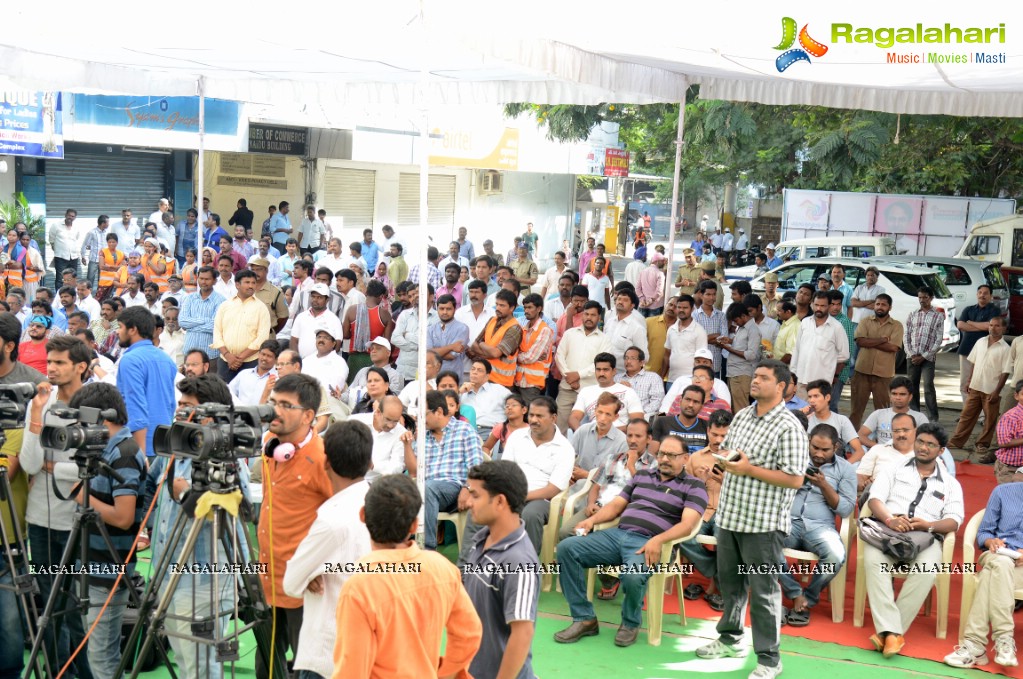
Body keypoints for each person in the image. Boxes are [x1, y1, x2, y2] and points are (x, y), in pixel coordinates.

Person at [695, 361, 808, 679]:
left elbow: (795, 478)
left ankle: (770, 660)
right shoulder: (742, 415)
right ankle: (730, 638)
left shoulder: (789, 426)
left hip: (763, 524)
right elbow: (735, 457)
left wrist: (748, 470)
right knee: (730, 585)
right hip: (729, 516)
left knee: (764, 591)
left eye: (763, 378)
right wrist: (723, 467)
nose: (755, 381)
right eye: (755, 375)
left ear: (782, 386)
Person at [555, 433, 706, 648]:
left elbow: (687, 525)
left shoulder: (694, 486)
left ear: (685, 458)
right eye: (662, 453)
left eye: (672, 455)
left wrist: (658, 540)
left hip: (652, 543)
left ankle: (630, 623)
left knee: (633, 576)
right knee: (567, 548)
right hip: (618, 535)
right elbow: (617, 505)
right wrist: (591, 521)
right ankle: (584, 618)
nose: (664, 459)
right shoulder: (642, 476)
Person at [332, 474, 482, 677]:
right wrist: (443, 672)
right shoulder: (442, 568)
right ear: (414, 525)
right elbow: (469, 633)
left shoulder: (359, 586)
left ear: (362, 516)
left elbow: (352, 669)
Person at [63, 382, 145, 678]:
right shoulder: (103, 448)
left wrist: (81, 495)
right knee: (96, 653)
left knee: (102, 659)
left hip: (109, 571)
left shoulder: (124, 452)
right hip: (91, 565)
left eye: (83, 418)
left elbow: (123, 517)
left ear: (102, 417)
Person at [864, 422, 963, 659]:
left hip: (926, 537)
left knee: (927, 569)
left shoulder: (950, 483)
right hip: (888, 530)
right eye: (920, 441)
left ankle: (888, 633)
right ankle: (893, 634)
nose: (923, 447)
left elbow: (954, 520)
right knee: (873, 563)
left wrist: (928, 525)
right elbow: (875, 499)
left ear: (941, 451)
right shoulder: (894, 468)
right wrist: (889, 520)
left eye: (931, 444)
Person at [282, 420, 372, 679]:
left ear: (326, 463)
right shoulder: (376, 503)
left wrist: (310, 572)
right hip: (365, 648)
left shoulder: (331, 520)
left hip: (326, 653)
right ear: (369, 463)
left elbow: (290, 583)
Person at [257, 373, 333, 679]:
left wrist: (321, 566)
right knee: (266, 668)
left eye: (286, 405)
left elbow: (344, 520)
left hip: (305, 586)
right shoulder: (268, 444)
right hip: (266, 578)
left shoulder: (324, 458)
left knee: (309, 668)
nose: (275, 410)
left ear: (308, 416)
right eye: (274, 402)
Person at [461, 460, 540, 679]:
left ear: (499, 501)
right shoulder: (480, 540)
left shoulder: (519, 562)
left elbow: (522, 633)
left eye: (475, 495)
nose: (468, 502)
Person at [777, 423, 856, 627]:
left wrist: (824, 485)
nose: (819, 454)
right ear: (808, 441)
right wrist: (795, 481)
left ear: (836, 447)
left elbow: (846, 509)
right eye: (815, 447)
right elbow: (773, 488)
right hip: (788, 521)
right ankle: (795, 595)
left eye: (825, 450)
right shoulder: (794, 459)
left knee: (836, 555)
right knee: (763, 541)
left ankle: (808, 598)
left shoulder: (845, 469)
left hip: (820, 527)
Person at [944, 478, 1023, 669]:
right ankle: (1004, 639)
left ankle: (975, 646)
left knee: (990, 576)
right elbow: (984, 532)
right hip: (998, 555)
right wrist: (991, 542)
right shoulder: (1003, 492)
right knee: (1001, 563)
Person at [422, 390, 485, 550]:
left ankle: (427, 550)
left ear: (439, 412)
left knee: (428, 487)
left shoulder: (464, 430)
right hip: (427, 490)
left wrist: (467, 488)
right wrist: (408, 445)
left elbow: (476, 467)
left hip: (455, 488)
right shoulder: (423, 436)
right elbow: (415, 471)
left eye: (424, 414)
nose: (421, 419)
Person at [116, 306, 177, 457]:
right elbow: (170, 404)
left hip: (141, 447)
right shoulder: (166, 359)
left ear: (132, 330)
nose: (117, 332)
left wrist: (140, 456)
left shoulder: (130, 360)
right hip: (164, 445)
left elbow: (136, 408)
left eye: (120, 327)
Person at [949, 315, 1011, 456]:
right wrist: (969, 380)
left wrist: (997, 391)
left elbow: (1005, 372)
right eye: (991, 325)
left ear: (1003, 328)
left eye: (997, 326)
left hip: (991, 390)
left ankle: (982, 444)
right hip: (975, 387)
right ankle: (956, 441)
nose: (993, 328)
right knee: (966, 416)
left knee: (989, 420)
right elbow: (974, 362)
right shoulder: (981, 341)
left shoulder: (1005, 348)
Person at [850, 294, 904, 429]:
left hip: (884, 375)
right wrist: (882, 340)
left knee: (883, 411)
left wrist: (870, 341)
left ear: (889, 307)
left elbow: (893, 347)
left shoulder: (897, 326)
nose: (880, 307)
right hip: (862, 371)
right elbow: (860, 341)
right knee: (856, 410)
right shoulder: (865, 321)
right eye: (878, 304)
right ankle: (850, 441)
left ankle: (881, 441)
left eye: (883, 304)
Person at [211, 269, 272, 382]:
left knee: (247, 396)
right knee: (224, 395)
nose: (251, 286)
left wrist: (240, 358)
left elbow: (262, 338)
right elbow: (217, 332)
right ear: (237, 284)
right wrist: (228, 355)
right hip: (225, 361)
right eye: (247, 282)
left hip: (251, 361)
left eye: (253, 283)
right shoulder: (225, 305)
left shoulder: (261, 308)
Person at [790, 291, 849, 400]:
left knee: (817, 414)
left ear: (829, 306)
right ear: (812, 304)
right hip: (801, 379)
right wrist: (793, 373)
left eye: (823, 306)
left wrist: (828, 360)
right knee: (800, 413)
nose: (819, 308)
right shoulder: (805, 323)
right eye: (816, 305)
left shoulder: (837, 327)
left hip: (821, 383)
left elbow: (844, 355)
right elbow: (797, 349)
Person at [568, 353, 644, 432]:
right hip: (593, 436)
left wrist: (609, 432)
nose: (601, 373)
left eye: (605, 370)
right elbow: (573, 418)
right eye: (598, 369)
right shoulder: (586, 392)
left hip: (620, 437)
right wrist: (581, 432)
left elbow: (637, 422)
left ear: (614, 371)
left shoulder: (628, 392)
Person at [956, 284, 1000, 406]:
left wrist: (970, 323)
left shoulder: (994, 310)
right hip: (966, 349)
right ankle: (967, 413)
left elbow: (989, 327)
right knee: (965, 383)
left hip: (985, 352)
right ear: (977, 294)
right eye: (980, 292)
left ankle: (980, 416)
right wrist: (981, 327)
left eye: (985, 293)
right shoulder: (968, 309)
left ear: (990, 296)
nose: (982, 295)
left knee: (981, 383)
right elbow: (960, 325)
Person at [858, 376, 928, 449]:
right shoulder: (878, 414)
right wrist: (879, 448)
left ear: (910, 397)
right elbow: (860, 435)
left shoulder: (920, 418)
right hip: (883, 456)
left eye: (902, 394)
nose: (897, 397)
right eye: (894, 394)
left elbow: (928, 440)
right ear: (890, 395)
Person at [805, 379, 865, 462]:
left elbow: (860, 452)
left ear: (827, 397)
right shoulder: (806, 420)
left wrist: (841, 469)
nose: (811, 400)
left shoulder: (841, 420)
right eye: (809, 397)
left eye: (816, 396)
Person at [720, 302, 762, 411]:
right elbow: (741, 344)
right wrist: (729, 341)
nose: (735, 323)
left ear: (743, 316)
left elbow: (751, 354)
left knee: (741, 408)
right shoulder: (741, 327)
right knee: (733, 407)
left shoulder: (753, 330)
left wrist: (727, 348)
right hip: (734, 373)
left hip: (742, 374)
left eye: (736, 320)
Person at [392, 283, 438, 382]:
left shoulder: (438, 318)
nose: (416, 296)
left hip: (426, 374)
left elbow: (431, 344)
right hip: (403, 372)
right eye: (414, 294)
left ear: (431, 297)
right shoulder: (405, 315)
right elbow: (395, 338)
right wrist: (417, 347)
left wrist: (408, 335)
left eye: (419, 293)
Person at [826, 289, 857, 413]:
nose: (836, 307)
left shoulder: (845, 322)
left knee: (831, 406)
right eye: (832, 304)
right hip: (823, 369)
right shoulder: (823, 319)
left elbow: (847, 351)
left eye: (838, 304)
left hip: (838, 372)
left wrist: (837, 374)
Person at [603, 287, 648, 369]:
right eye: (619, 299)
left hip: (625, 375)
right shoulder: (609, 322)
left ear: (632, 306)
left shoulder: (637, 328)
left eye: (625, 300)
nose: (620, 302)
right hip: (606, 372)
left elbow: (644, 357)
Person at [615, 346, 664, 418]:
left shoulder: (653, 377)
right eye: (626, 358)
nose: (628, 361)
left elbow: (657, 401)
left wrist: (639, 414)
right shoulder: (617, 378)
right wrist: (618, 387)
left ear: (641, 362)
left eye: (633, 358)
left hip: (642, 417)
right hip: (619, 416)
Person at [693, 283, 728, 376]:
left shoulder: (721, 315)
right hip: (698, 362)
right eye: (708, 294)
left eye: (714, 294)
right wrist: (715, 335)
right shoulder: (694, 315)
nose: (712, 298)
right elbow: (694, 340)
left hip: (715, 363)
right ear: (701, 295)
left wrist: (705, 339)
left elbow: (724, 339)